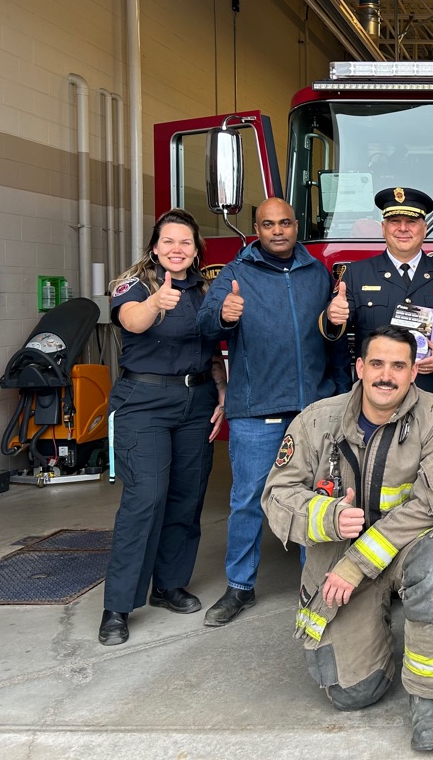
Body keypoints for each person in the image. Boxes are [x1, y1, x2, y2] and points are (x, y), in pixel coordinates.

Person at [261, 325, 433, 752]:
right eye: (376, 363)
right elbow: (277, 495)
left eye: (398, 365)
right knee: (353, 694)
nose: (386, 375)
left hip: (413, 541)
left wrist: (356, 563)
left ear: (414, 372)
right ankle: (378, 643)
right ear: (359, 368)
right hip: (340, 548)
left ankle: (428, 699)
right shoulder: (317, 419)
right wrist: (328, 517)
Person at [197, 198, 351, 627]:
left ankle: (313, 582)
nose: (278, 231)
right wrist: (224, 317)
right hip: (256, 410)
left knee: (316, 500)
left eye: (285, 222)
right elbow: (206, 325)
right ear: (256, 229)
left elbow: (332, 341)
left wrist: (338, 395)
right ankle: (239, 588)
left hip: (314, 411)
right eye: (268, 224)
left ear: (296, 223)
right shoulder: (235, 272)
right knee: (248, 500)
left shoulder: (315, 273)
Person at [98, 209, 226, 647]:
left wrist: (222, 393)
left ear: (196, 250)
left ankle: (168, 586)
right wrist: (155, 303)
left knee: (187, 496)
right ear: (155, 246)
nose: (177, 249)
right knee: (145, 499)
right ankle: (117, 606)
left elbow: (210, 352)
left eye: (185, 243)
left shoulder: (207, 289)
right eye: (168, 241)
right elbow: (131, 320)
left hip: (196, 402)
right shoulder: (133, 284)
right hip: (144, 403)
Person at [322, 187, 433, 402]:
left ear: (424, 228)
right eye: (394, 221)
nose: (402, 228)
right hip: (375, 399)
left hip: (432, 398)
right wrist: (332, 317)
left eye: (411, 222)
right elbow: (334, 337)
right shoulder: (356, 274)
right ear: (383, 228)